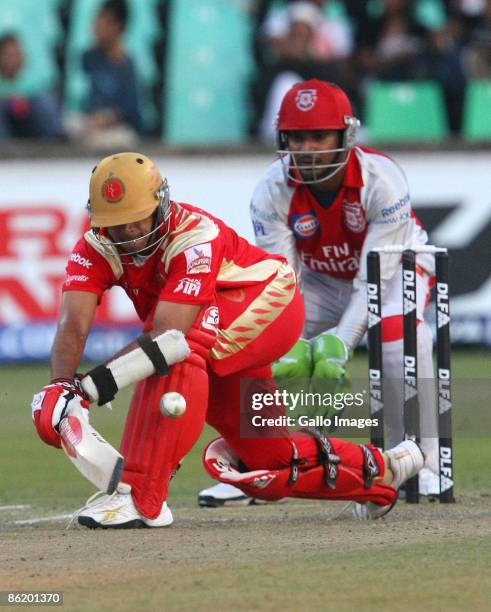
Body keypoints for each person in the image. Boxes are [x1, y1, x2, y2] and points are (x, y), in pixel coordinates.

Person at [31, 151, 424, 527]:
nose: (129, 234)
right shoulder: (94, 246)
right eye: (116, 224)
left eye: (138, 220)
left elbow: (170, 335)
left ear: (161, 204)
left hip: (271, 303)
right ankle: (380, 471)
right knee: (265, 456)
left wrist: (85, 391)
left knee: (174, 354)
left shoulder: (194, 235)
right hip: (214, 327)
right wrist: (60, 385)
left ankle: (140, 495)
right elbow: (73, 324)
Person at [199, 78, 440, 507]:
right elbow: (280, 282)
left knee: (400, 341)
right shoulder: (272, 189)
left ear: (345, 136)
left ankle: (423, 461)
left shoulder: (383, 181)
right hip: (321, 280)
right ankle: (259, 464)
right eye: (297, 138)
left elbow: (374, 279)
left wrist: (338, 344)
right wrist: (286, 342)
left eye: (318, 137)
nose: (306, 149)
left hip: (399, 269)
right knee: (253, 345)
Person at [65, 0, 143, 147]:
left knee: (123, 139)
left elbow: (131, 111)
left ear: (119, 27)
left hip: (115, 130)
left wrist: (105, 119)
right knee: (70, 124)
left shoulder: (127, 65)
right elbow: (76, 95)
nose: (96, 26)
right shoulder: (88, 57)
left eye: (104, 21)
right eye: (96, 20)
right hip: (86, 124)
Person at [0, 33, 64, 140]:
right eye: (10, 55)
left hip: (29, 124)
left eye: (17, 54)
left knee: (44, 100)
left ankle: (55, 142)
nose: (15, 59)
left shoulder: (32, 81)